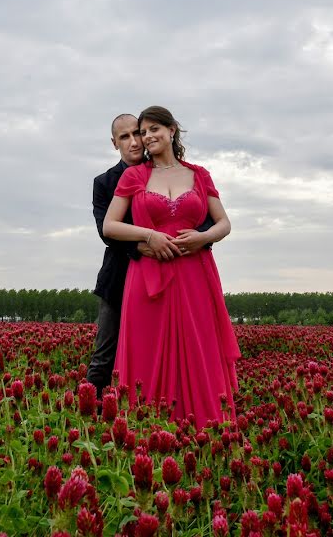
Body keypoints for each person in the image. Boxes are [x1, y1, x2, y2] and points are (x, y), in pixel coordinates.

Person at [102, 106, 240, 427]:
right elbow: (110, 225)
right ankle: (147, 431)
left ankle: (203, 430)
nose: (147, 137)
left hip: (196, 272)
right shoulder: (134, 175)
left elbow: (224, 224)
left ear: (172, 130)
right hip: (149, 274)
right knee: (147, 351)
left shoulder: (199, 174)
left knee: (199, 349)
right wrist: (150, 235)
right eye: (143, 132)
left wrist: (202, 237)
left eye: (154, 130)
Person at [86, 113, 212, 401]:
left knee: (164, 351)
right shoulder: (104, 182)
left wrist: (194, 238)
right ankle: (89, 417)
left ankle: (162, 410)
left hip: (171, 273)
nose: (134, 142)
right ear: (114, 143)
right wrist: (145, 242)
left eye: (137, 134)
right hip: (120, 276)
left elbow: (198, 218)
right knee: (105, 354)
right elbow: (105, 231)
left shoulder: (165, 172)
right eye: (125, 137)